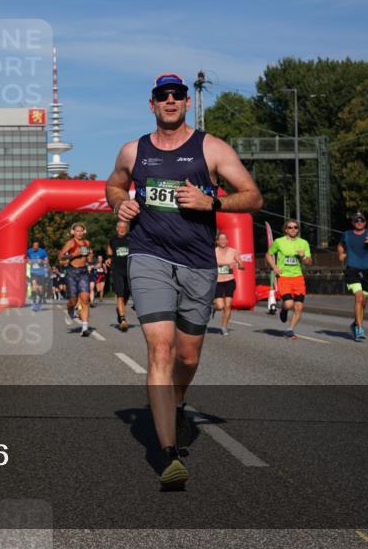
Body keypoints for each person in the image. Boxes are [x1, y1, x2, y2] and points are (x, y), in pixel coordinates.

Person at [105, 72, 262, 491]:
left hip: (197, 262)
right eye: (163, 95)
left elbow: (252, 196)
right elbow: (114, 186)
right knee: (161, 348)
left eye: (177, 94)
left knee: (187, 358)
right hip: (148, 256)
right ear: (152, 104)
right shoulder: (133, 150)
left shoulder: (211, 148)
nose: (170, 100)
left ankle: (176, 401)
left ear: (187, 102)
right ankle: (169, 453)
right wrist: (120, 205)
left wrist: (213, 201)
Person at [337, 212, 368, 342]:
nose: (359, 222)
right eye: (356, 220)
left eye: (362, 220)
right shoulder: (346, 234)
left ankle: (355, 324)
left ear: (365, 222)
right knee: (359, 297)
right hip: (352, 270)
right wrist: (341, 254)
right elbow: (340, 245)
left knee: (363, 302)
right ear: (352, 222)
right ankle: (359, 329)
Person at [265, 219, 313, 339]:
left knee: (299, 306)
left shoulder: (304, 243)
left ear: (298, 229)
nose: (293, 229)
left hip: (298, 278)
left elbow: (309, 262)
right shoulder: (279, 242)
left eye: (295, 227)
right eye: (290, 227)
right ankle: (283, 310)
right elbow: (268, 255)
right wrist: (274, 267)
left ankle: (290, 329)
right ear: (286, 230)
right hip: (284, 277)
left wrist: (304, 257)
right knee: (288, 303)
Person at [59, 223, 94, 336]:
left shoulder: (87, 243)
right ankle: (70, 311)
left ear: (84, 232)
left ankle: (84, 328)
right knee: (73, 301)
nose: (79, 233)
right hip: (72, 272)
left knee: (85, 299)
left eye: (81, 231)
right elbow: (61, 256)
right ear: (73, 232)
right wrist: (74, 254)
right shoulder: (70, 243)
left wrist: (90, 257)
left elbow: (89, 258)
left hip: (83, 272)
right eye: (77, 231)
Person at [212, 232, 244, 336]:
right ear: (217, 241)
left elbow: (242, 265)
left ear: (227, 241)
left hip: (229, 281)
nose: (223, 241)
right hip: (217, 281)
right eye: (220, 239)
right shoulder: (213, 252)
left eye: (224, 239)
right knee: (220, 306)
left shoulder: (233, 251)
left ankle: (224, 327)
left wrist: (239, 265)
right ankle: (212, 308)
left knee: (228, 305)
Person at [106, 220, 131, 330]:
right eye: (120, 227)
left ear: (127, 228)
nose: (122, 229)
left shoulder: (131, 238)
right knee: (120, 294)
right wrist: (108, 258)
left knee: (126, 294)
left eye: (124, 227)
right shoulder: (113, 239)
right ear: (116, 229)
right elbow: (109, 250)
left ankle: (119, 310)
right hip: (117, 270)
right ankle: (122, 319)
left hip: (129, 270)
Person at [26, 240, 50, 311]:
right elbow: (27, 258)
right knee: (34, 287)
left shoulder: (42, 252)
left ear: (38, 246)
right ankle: (34, 303)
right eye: (34, 246)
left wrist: (42, 261)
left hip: (41, 273)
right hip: (33, 272)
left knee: (40, 289)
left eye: (36, 246)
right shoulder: (29, 251)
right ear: (32, 246)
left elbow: (47, 261)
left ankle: (40, 299)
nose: (35, 247)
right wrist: (28, 261)